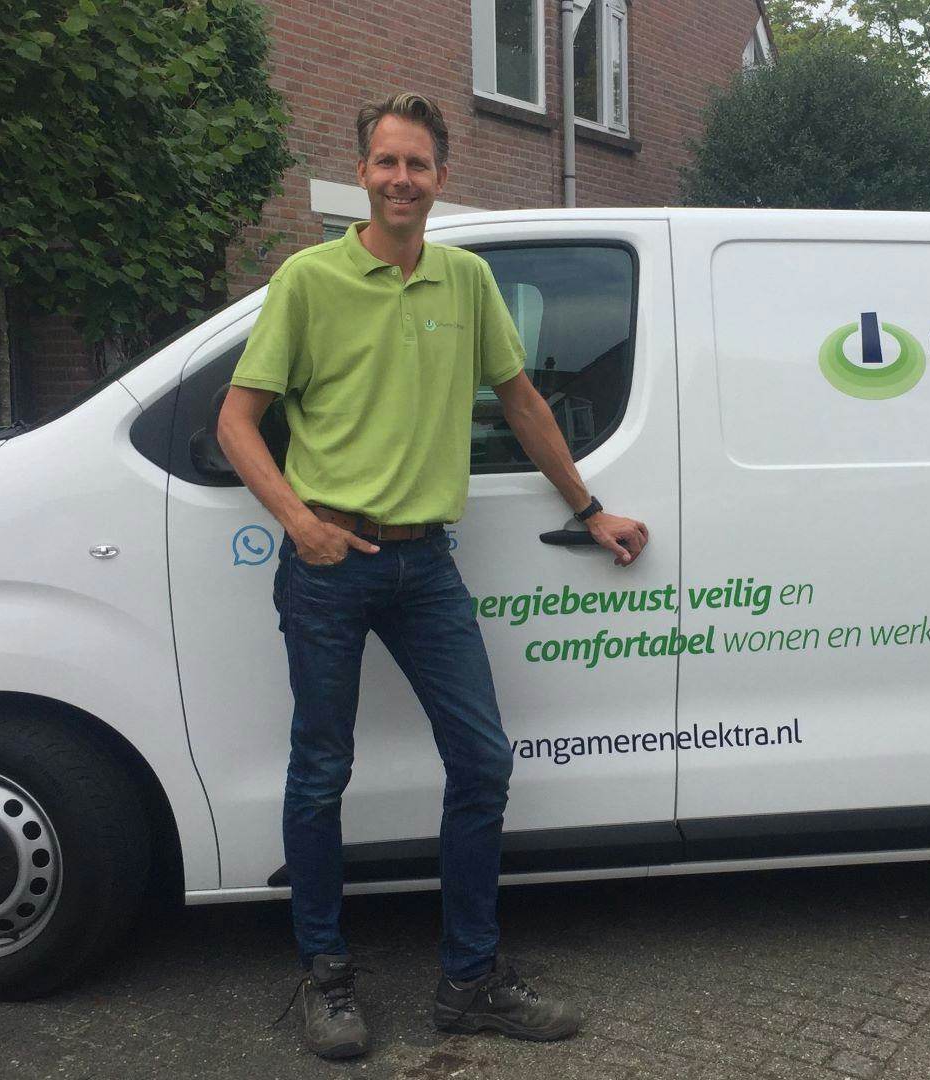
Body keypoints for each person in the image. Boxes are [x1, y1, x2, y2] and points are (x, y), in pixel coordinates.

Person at [216, 91, 650, 1060]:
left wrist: (589, 508)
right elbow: (237, 421)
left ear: (440, 177)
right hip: (329, 562)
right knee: (321, 771)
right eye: (387, 162)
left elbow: (523, 399)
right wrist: (299, 524)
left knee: (482, 762)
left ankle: (468, 980)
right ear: (362, 173)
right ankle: (326, 976)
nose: (402, 179)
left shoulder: (465, 280)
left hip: (425, 561)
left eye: (417, 164)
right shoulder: (309, 280)